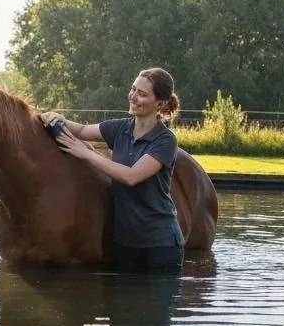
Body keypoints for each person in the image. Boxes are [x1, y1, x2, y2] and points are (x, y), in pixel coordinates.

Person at [40, 68, 184, 273]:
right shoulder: (119, 128)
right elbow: (81, 130)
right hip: (124, 245)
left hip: (160, 247)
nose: (133, 97)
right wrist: (58, 119)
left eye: (142, 94)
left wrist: (86, 153)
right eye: (133, 89)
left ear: (159, 104)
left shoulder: (165, 140)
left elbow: (132, 176)